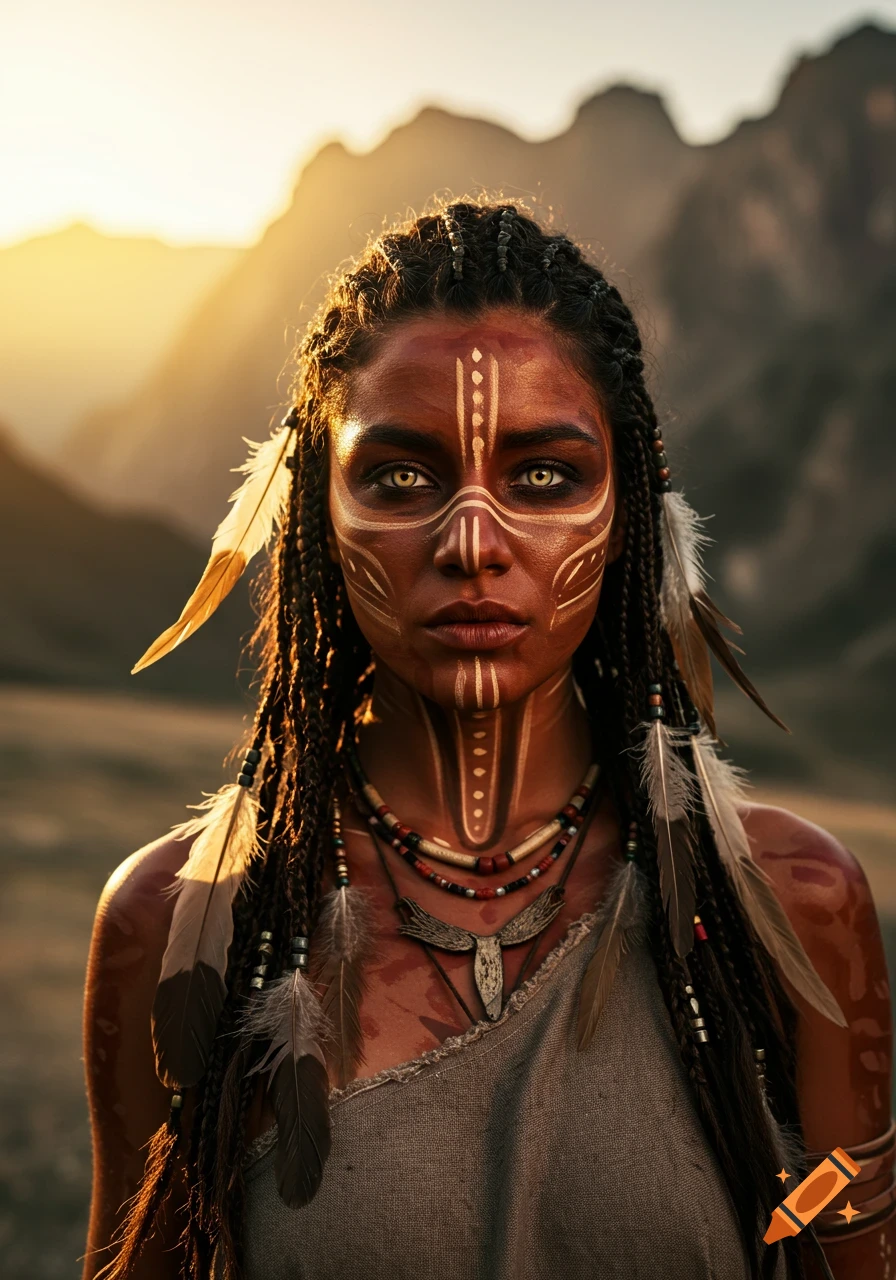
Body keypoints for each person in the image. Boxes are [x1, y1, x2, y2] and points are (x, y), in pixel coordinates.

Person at [82, 200, 894, 1280]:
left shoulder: (785, 905)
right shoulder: (183, 926)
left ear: (630, 499)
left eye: (543, 475)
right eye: (400, 477)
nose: (472, 540)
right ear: (316, 504)